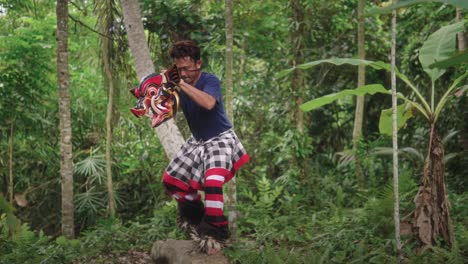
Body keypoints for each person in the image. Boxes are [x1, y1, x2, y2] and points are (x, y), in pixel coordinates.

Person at [161, 40, 249, 255]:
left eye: (186, 69)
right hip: (198, 141)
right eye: (178, 69)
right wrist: (160, 93)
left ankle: (215, 233)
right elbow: (168, 112)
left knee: (213, 181)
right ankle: (198, 217)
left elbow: (209, 103)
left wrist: (180, 83)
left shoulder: (209, 80)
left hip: (220, 139)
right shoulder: (179, 85)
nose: (183, 73)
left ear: (198, 64)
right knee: (172, 181)